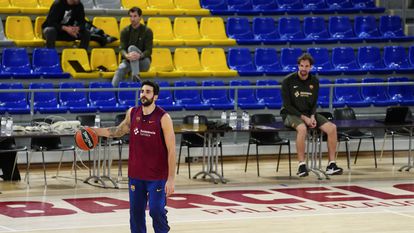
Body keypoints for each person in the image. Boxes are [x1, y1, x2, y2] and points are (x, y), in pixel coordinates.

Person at [93, 80, 175, 233]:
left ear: (155, 96)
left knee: (156, 211)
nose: (143, 94)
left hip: (157, 176)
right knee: (136, 215)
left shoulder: (164, 118)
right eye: (142, 91)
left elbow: (171, 150)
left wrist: (171, 179)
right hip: (136, 175)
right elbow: (117, 131)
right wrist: (94, 131)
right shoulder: (132, 112)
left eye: (148, 92)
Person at [280, 53, 343, 177]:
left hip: (309, 114)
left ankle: (331, 164)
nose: (304, 69)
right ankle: (302, 165)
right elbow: (287, 106)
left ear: (311, 67)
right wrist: (304, 118)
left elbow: (314, 103)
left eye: (306, 66)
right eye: (301, 66)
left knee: (332, 128)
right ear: (298, 66)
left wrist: (313, 116)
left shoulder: (314, 81)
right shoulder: (288, 81)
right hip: (290, 114)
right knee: (302, 128)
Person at [112, 7, 153, 87]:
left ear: (140, 17)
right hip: (128, 60)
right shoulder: (125, 31)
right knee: (120, 69)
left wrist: (139, 56)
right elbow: (122, 49)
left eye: (135, 16)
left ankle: (135, 75)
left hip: (143, 62)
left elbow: (149, 51)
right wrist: (126, 55)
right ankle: (112, 93)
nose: (132, 19)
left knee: (131, 48)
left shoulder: (147, 31)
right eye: (130, 16)